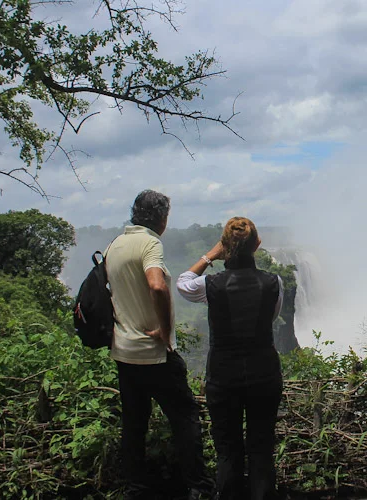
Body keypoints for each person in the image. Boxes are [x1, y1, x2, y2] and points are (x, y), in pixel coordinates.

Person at [107, 190, 213, 499]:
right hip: (153, 354)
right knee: (185, 418)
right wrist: (164, 331)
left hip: (124, 353)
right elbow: (156, 284)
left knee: (134, 423)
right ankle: (198, 486)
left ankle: (136, 488)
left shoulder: (115, 244)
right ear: (162, 219)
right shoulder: (150, 243)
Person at [177, 217, 284, 500]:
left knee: (228, 451)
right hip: (264, 375)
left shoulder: (211, 285)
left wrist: (209, 255)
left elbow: (182, 284)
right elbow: (270, 318)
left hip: (223, 378)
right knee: (261, 449)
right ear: (257, 245)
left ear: (225, 247)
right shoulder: (274, 283)